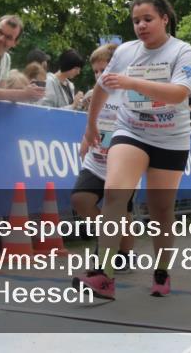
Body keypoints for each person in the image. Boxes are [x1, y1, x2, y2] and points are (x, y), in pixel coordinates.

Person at [73, 0, 191, 300]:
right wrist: (90, 128)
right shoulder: (126, 52)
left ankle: (161, 271)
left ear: (165, 19)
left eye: (147, 19)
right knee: (116, 193)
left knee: (161, 210)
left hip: (171, 138)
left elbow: (179, 94)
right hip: (131, 130)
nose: (140, 26)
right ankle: (103, 274)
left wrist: (132, 84)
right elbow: (102, 88)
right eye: (135, 21)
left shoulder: (182, 51)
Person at [70, 44, 136, 272]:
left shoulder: (131, 92)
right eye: (96, 71)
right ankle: (111, 238)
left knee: (121, 213)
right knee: (80, 199)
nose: (100, 75)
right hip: (96, 160)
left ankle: (124, 255)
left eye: (104, 69)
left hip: (123, 164)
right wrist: (86, 137)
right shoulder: (94, 93)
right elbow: (93, 119)